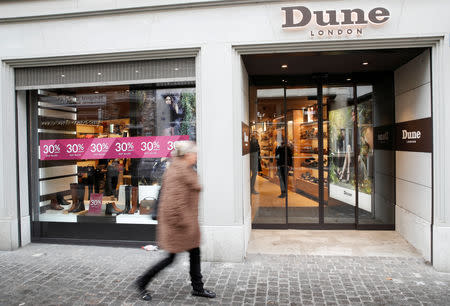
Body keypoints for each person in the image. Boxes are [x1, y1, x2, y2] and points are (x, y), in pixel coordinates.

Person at [134, 141, 216, 301]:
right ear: (186, 155)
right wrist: (184, 223)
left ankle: (198, 288)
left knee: (194, 253)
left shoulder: (184, 169)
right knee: (170, 258)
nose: (196, 157)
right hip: (178, 225)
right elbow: (172, 203)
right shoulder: (177, 172)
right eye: (195, 154)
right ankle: (141, 282)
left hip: (186, 223)